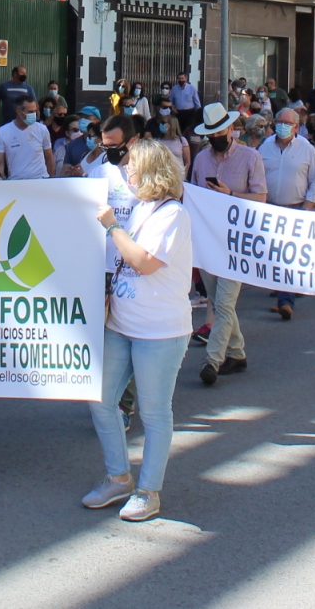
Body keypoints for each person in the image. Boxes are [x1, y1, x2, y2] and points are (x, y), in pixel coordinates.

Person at [83, 137, 193, 524]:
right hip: (122, 324)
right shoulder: (142, 209)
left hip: (160, 332)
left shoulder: (172, 214)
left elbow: (144, 262)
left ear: (151, 172)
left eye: (132, 166)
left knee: (154, 412)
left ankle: (149, 491)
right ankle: (118, 477)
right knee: (100, 400)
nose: (127, 171)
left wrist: (112, 226)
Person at [189, 104, 264, 385]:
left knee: (222, 304)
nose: (216, 137)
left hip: (236, 241)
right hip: (209, 240)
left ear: (231, 129)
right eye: (211, 134)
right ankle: (237, 353)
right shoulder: (201, 160)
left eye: (220, 131)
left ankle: (213, 359)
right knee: (222, 304)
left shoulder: (250, 157)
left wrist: (231, 194)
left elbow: (262, 198)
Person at [259, 104, 315, 320]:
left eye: (288, 123)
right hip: (270, 208)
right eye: (280, 123)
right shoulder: (265, 147)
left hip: (296, 208)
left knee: (288, 256)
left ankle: (286, 301)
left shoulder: (306, 148)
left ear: (296, 127)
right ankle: (282, 294)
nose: (283, 126)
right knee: (274, 255)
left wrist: (309, 206)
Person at [0, 96, 55, 180]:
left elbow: (49, 157)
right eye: (30, 112)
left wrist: (50, 179)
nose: (34, 114)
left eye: (35, 111)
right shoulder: (3, 132)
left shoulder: (42, 129)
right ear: (19, 112)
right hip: (16, 182)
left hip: (40, 179)